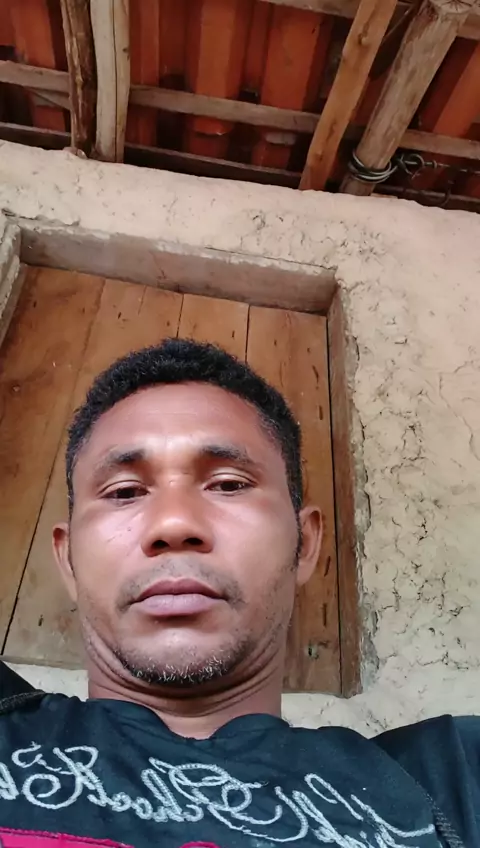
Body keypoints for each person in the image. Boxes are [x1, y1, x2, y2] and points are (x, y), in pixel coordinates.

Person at [0, 338, 478, 848]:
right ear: (68, 559)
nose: (174, 524)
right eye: (125, 492)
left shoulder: (455, 778)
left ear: (305, 544)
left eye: (228, 484)